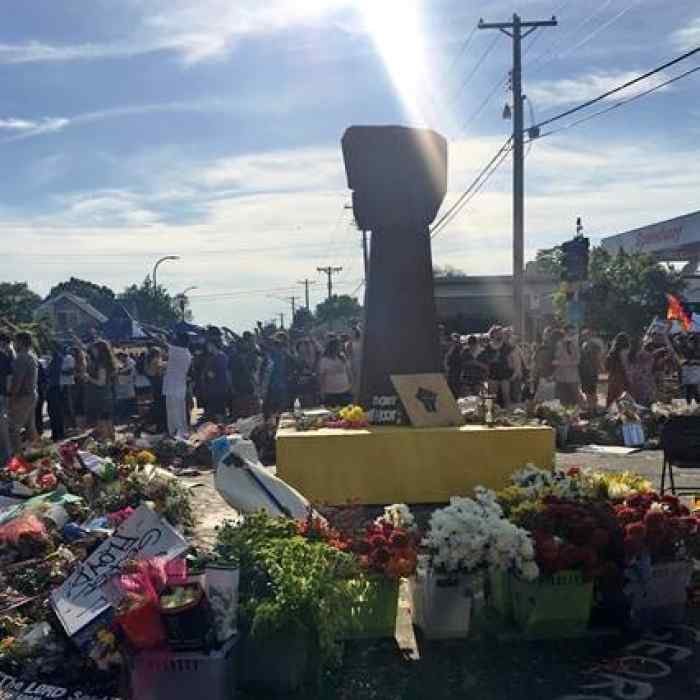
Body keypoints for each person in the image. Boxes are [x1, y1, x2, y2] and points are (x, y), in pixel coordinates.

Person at [8, 331, 39, 454]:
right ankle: (38, 453)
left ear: (20, 342)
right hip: (32, 394)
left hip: (23, 396)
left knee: (13, 429)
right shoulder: (31, 355)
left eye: (15, 341)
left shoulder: (21, 358)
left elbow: (18, 381)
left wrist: (12, 398)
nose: (14, 344)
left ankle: (17, 458)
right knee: (30, 427)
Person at [84, 340, 117, 440]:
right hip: (107, 394)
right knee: (108, 420)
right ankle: (112, 442)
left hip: (102, 396)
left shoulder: (101, 365)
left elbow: (101, 382)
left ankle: (106, 443)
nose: (93, 351)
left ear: (99, 350)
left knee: (103, 421)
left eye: (94, 349)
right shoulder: (108, 362)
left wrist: (88, 378)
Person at [163, 333, 193, 437]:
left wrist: (148, 332)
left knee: (172, 412)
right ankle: (182, 432)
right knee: (181, 411)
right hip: (181, 386)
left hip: (172, 386)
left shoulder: (177, 351)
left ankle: (175, 433)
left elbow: (161, 343)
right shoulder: (188, 353)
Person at [480, 326, 513, 408]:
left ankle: (508, 415)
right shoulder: (487, 348)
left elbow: (510, 359)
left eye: (501, 333)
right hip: (492, 376)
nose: (500, 335)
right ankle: (491, 416)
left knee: (506, 397)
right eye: (498, 333)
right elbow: (484, 362)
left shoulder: (506, 346)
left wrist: (512, 370)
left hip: (505, 375)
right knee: (492, 398)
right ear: (492, 334)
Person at [201, 337, 231, 422]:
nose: (207, 347)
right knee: (220, 411)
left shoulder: (217, 358)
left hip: (216, 388)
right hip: (220, 388)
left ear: (213, 345)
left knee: (218, 412)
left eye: (209, 345)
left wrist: (207, 375)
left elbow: (212, 374)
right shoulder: (222, 356)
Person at [319, 336, 353, 406]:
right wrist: (322, 391)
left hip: (345, 390)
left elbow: (348, 371)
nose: (340, 347)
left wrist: (351, 384)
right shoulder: (324, 360)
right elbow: (322, 377)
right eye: (338, 346)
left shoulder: (342, 357)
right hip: (331, 392)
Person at [553, 325, 581, 408]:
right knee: (563, 399)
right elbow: (556, 358)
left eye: (572, 333)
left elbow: (577, 360)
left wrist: (562, 363)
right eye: (569, 333)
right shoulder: (559, 344)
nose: (571, 335)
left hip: (572, 376)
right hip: (561, 376)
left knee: (575, 397)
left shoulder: (574, 344)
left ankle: (576, 415)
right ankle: (567, 416)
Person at [626, 337, 655, 406]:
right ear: (640, 344)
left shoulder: (629, 354)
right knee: (643, 398)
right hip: (643, 378)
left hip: (633, 378)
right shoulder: (645, 354)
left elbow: (628, 367)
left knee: (635, 398)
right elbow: (649, 366)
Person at [579, 329, 602, 412]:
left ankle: (592, 408)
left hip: (587, 371)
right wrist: (600, 367)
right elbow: (598, 358)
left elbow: (597, 358)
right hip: (590, 371)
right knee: (591, 390)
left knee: (589, 391)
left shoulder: (587, 345)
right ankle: (593, 407)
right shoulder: (591, 345)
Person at [144, 346, 167, 433]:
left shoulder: (148, 362)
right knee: (161, 407)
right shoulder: (155, 361)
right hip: (159, 387)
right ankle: (161, 427)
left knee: (157, 405)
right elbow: (161, 370)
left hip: (154, 386)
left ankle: (157, 425)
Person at [46, 343, 66, 441]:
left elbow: (51, 373)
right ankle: (57, 433)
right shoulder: (57, 359)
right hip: (55, 387)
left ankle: (58, 434)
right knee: (54, 412)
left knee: (55, 412)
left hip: (55, 387)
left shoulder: (57, 359)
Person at [605, 333, 631, 407]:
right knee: (622, 396)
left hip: (613, 377)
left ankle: (610, 412)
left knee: (612, 396)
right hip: (623, 376)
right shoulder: (627, 352)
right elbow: (627, 366)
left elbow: (606, 367)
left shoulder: (611, 353)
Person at [294, 336, 320, 408]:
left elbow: (319, 350)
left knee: (316, 405)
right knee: (306, 405)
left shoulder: (317, 358)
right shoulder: (297, 360)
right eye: (304, 344)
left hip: (314, 385)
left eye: (308, 344)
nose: (307, 347)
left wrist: (313, 341)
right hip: (303, 386)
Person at [0, 333, 14, 465]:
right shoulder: (4, 356)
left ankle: (6, 459)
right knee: (3, 429)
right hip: (3, 394)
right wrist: (9, 393)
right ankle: (6, 459)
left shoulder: (4, 356)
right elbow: (10, 377)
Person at [114, 351, 138, 423]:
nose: (119, 359)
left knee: (128, 403)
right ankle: (123, 418)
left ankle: (129, 419)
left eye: (119, 358)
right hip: (122, 386)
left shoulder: (131, 362)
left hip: (128, 385)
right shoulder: (121, 362)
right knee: (123, 403)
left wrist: (118, 372)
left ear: (122, 356)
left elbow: (128, 372)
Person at [504, 328, 525, 404]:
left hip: (515, 375)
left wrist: (514, 376)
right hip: (508, 375)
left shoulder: (516, 349)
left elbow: (518, 365)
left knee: (516, 395)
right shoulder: (506, 348)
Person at [60, 347, 76, 429]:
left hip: (68, 384)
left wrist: (60, 371)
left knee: (69, 406)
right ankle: (67, 425)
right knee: (64, 406)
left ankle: (73, 424)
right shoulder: (61, 358)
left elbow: (71, 371)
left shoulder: (69, 358)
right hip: (62, 384)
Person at [444, 334, 464, 398]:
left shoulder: (460, 348)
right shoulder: (449, 349)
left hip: (458, 372)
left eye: (457, 341)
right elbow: (447, 360)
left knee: (457, 389)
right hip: (451, 372)